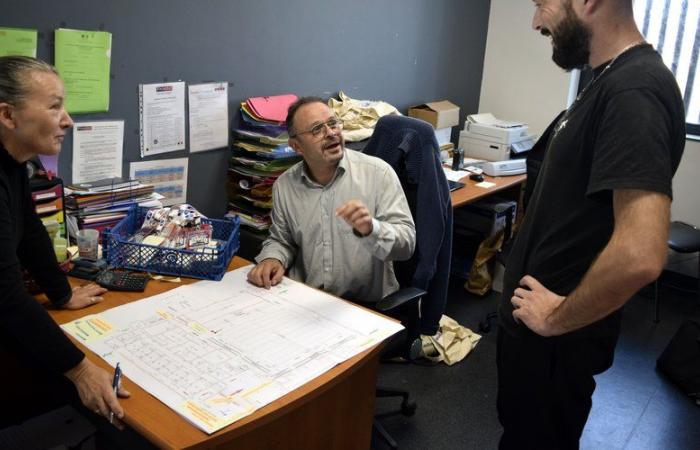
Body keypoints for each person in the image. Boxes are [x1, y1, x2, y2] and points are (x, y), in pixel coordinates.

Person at [497, 1, 686, 448]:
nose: (535, 21)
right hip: (535, 344)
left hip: (555, 348)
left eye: (542, 4)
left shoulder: (634, 89)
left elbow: (641, 255)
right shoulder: (607, 80)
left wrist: (556, 320)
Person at [0, 56, 129, 427]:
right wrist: (80, 371)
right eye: (55, 106)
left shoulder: (14, 160)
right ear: (9, 116)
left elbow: (29, 228)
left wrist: (62, 293)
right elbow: (5, 296)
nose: (68, 120)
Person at [247, 97, 416, 304]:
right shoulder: (284, 186)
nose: (331, 133)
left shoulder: (378, 174)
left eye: (333, 123)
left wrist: (372, 229)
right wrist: (273, 257)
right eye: (317, 129)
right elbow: (282, 239)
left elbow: (407, 244)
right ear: (296, 146)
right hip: (306, 301)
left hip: (365, 309)